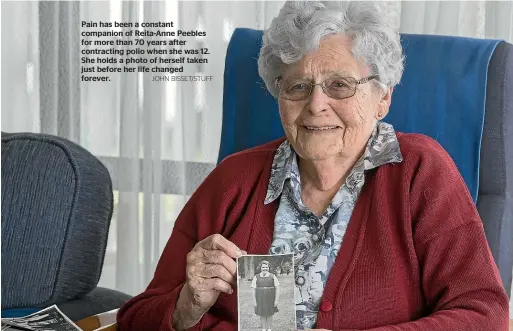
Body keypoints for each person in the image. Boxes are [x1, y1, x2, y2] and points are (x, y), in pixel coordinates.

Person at [117, 1, 510, 330]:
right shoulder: (233, 181)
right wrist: (186, 306)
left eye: (340, 85)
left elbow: (485, 316)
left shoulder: (420, 171)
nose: (316, 105)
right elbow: (135, 318)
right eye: (297, 86)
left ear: (383, 98)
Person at [251, 261, 280, 331]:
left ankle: (269, 328)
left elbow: (277, 288)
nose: (265, 268)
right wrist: (254, 301)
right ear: (260, 268)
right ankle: (263, 328)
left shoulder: (273, 276)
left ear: (269, 268)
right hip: (260, 298)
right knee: (262, 313)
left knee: (270, 314)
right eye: (263, 267)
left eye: (266, 267)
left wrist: (276, 300)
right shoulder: (256, 277)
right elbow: (253, 289)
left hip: (270, 298)